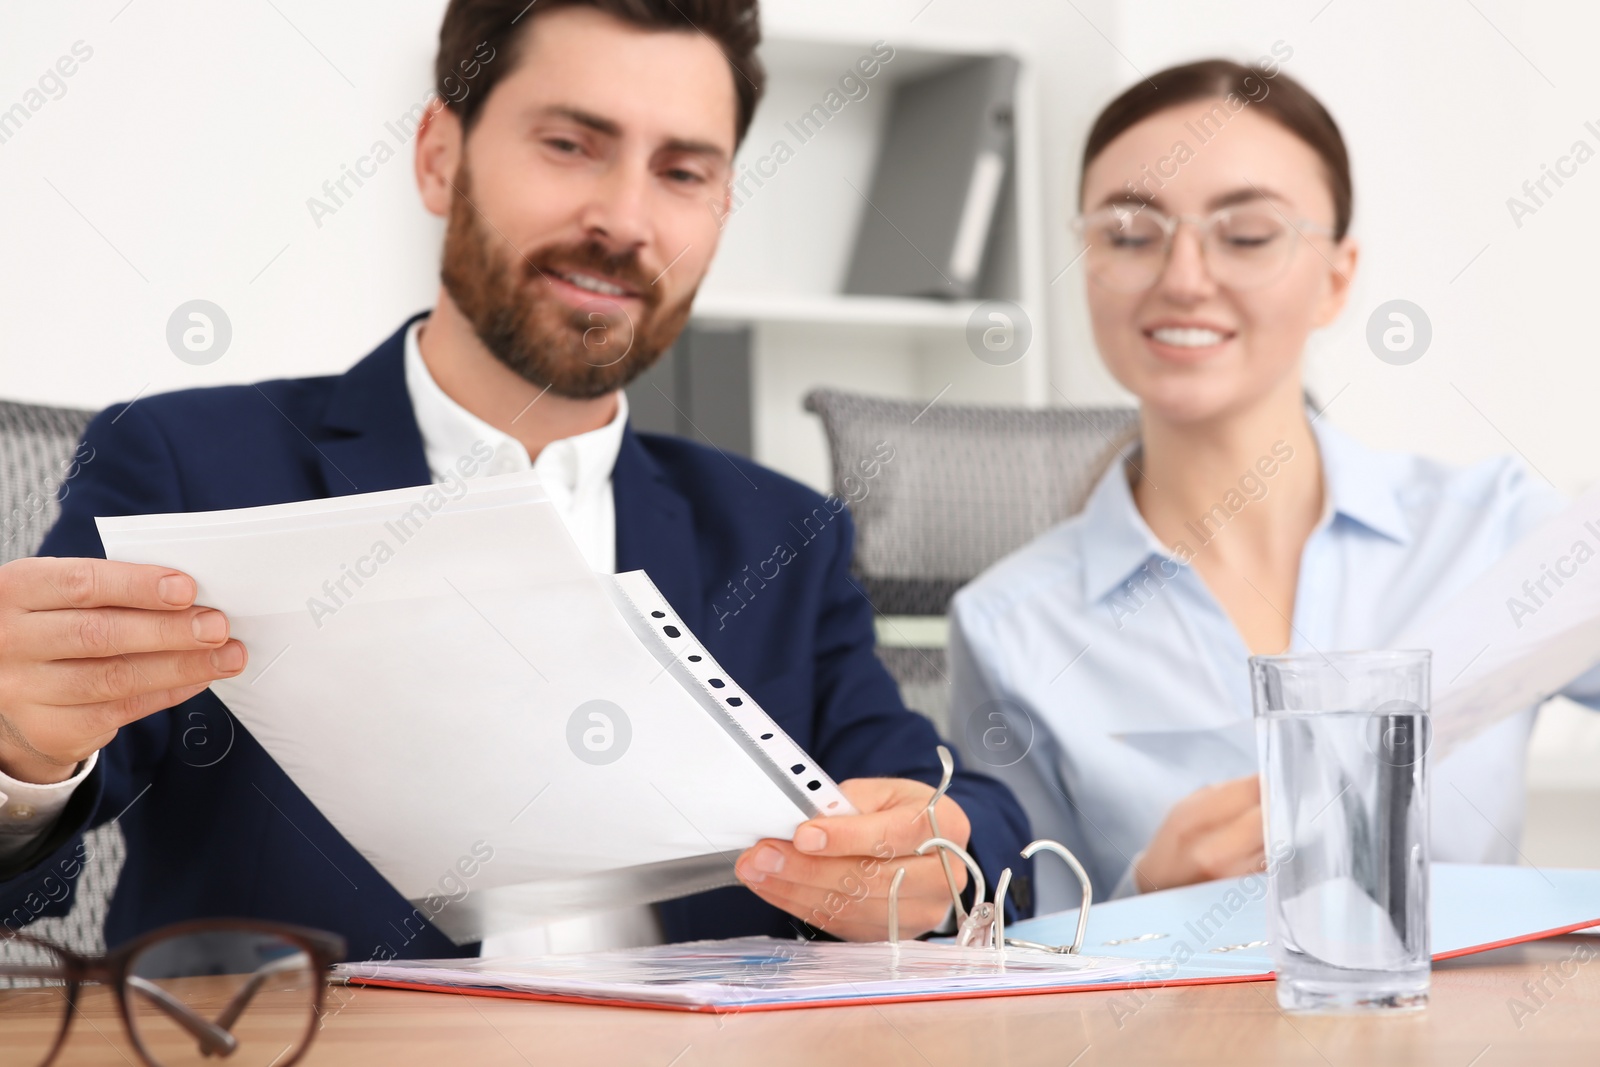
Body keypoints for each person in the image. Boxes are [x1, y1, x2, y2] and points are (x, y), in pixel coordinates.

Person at [0, 0, 1030, 958]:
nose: (624, 220)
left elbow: (963, 808)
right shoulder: (193, 465)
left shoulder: (783, 535)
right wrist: (20, 764)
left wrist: (941, 849)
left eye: (681, 172)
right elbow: (27, 882)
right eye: (570, 144)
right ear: (440, 158)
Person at [948, 58, 1600, 912]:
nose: (1183, 277)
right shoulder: (1010, 626)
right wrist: (1144, 900)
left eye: (1246, 235)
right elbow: (1009, 973)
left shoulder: (1495, 531)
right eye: (1131, 233)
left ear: (1336, 277)